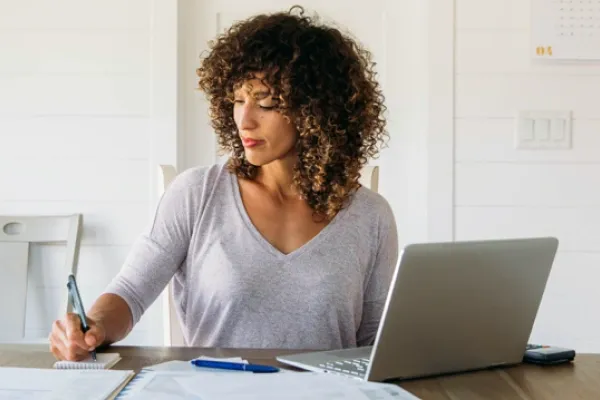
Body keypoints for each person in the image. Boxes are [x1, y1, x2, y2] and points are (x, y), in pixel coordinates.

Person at [49, 5, 398, 361]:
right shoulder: (197, 194)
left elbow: (374, 343)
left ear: (317, 111)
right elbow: (130, 292)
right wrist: (93, 327)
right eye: (237, 100)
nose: (244, 121)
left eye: (266, 103)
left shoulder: (370, 216)